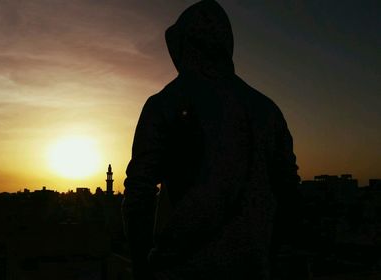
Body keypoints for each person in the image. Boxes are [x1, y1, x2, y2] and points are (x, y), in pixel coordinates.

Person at [122, 0, 303, 279]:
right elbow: (288, 194)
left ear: (183, 44)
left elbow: (139, 195)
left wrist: (141, 267)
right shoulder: (267, 110)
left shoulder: (165, 104)